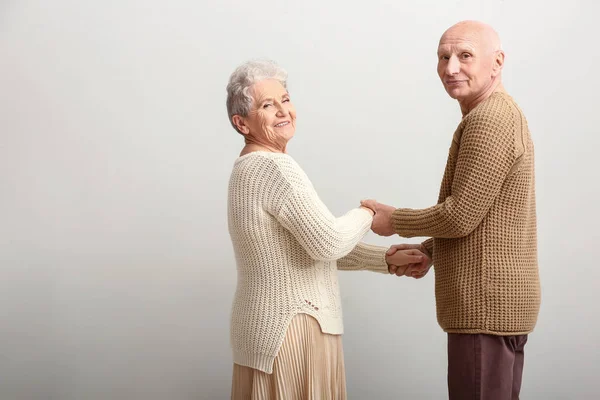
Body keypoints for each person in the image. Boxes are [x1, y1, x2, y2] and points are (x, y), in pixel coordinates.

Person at [226, 59, 427, 399]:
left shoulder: (246, 169)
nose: (282, 111)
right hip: (294, 325)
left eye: (285, 100)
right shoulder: (274, 167)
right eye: (267, 105)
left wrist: (386, 260)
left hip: (268, 326)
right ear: (241, 122)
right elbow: (329, 242)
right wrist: (368, 213)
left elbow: (304, 250)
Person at [362, 21, 541, 400]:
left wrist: (394, 221)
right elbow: (485, 218)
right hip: (496, 306)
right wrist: (428, 252)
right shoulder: (495, 115)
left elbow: (459, 216)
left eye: (464, 56)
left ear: (497, 62)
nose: (451, 68)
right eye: (443, 57)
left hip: (484, 307)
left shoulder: (489, 120)